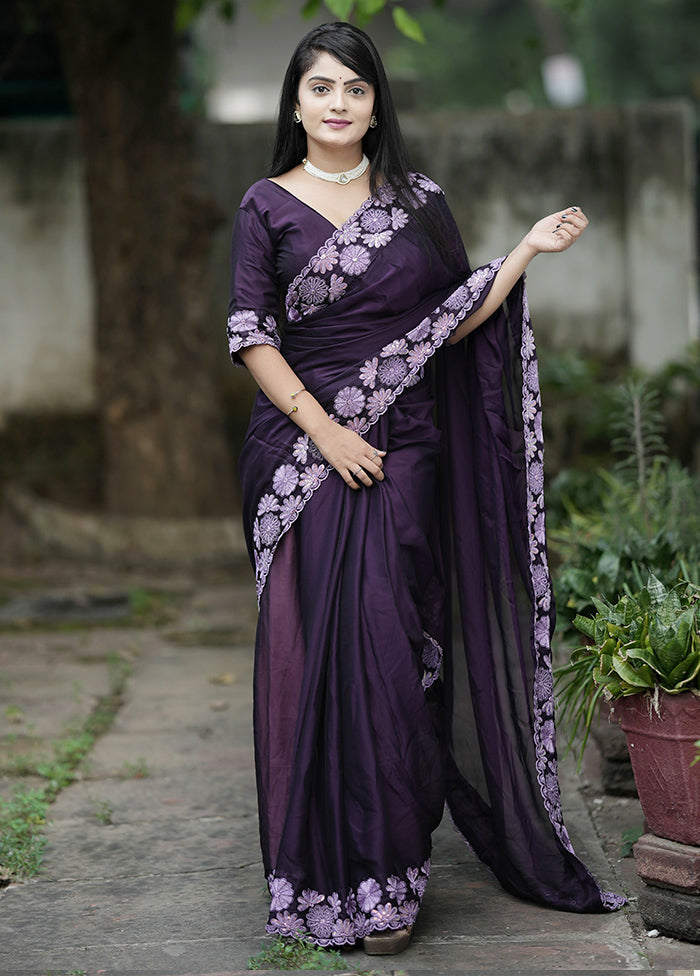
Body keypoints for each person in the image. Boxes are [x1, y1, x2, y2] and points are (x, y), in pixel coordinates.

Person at [227, 21, 623, 955]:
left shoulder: (417, 203)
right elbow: (251, 332)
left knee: (393, 656)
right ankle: (329, 880)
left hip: (405, 455)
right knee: (315, 659)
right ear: (296, 103)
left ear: (375, 105)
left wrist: (522, 252)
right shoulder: (264, 206)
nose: (338, 103)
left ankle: (393, 872)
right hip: (301, 460)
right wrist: (326, 433)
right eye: (321, 87)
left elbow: (451, 321)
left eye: (355, 89)